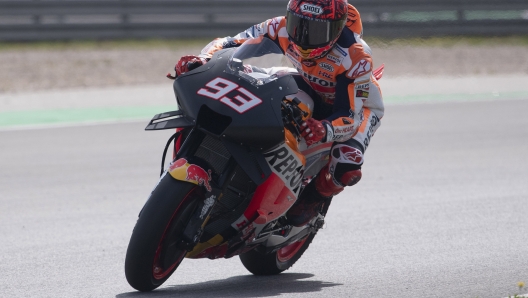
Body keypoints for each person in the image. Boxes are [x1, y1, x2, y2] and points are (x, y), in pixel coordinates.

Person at [174, 0, 384, 226]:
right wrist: (203, 59)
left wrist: (326, 129)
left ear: (337, 30)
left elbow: (350, 116)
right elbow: (230, 42)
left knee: (347, 163)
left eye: (315, 30)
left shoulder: (356, 56)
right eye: (299, 25)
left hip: (357, 108)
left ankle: (315, 198)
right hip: (308, 86)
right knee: (267, 106)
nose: (303, 36)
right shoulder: (279, 27)